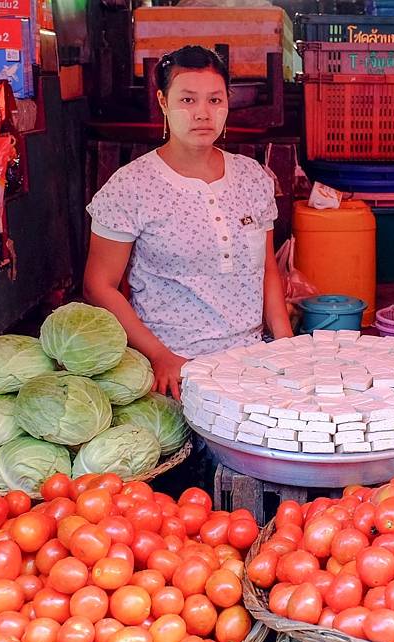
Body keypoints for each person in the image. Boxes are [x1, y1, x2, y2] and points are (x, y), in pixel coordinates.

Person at [84, 46, 293, 399]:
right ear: (163, 102)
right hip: (174, 366)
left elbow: (268, 268)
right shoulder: (132, 185)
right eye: (187, 100)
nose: (202, 114)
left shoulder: (253, 179)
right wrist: (159, 356)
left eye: (214, 100)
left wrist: (286, 344)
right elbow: (98, 285)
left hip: (253, 360)